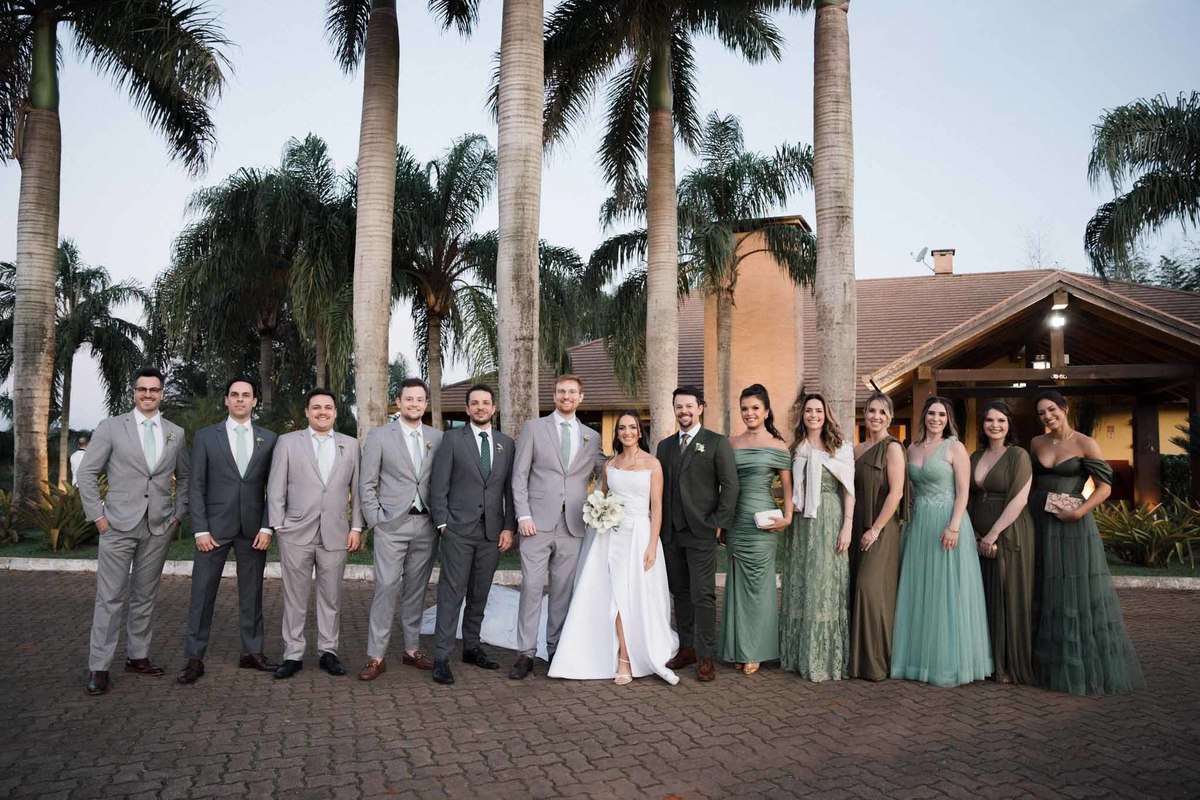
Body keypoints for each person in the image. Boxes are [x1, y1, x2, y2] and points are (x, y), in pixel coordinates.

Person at [77, 366, 190, 696]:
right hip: (116, 525)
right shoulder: (112, 427)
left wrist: (178, 515)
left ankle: (137, 656)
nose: (148, 395)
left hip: (158, 526)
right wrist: (98, 518)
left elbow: (184, 477)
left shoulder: (176, 432)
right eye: (142, 389)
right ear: (134, 393)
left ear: (161, 394)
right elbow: (87, 473)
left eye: (154, 390)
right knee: (109, 597)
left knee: (145, 595)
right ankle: (99, 666)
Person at [549, 411, 679, 685]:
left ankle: (627, 656)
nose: (627, 432)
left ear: (639, 432)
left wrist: (652, 545)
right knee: (613, 594)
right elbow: (601, 496)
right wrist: (597, 512)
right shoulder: (610, 465)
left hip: (639, 535)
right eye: (622, 428)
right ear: (617, 433)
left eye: (632, 427)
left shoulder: (652, 464)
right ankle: (617, 655)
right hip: (609, 536)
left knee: (632, 595)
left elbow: (657, 508)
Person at [1029, 390, 1144, 695]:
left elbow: (1105, 487)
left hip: (1072, 523)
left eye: (1051, 409)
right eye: (1041, 412)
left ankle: (1076, 663)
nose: (1047, 416)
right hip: (1038, 520)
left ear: (1065, 408)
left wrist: (1078, 512)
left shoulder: (1085, 443)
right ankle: (1042, 662)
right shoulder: (1036, 443)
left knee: (1071, 586)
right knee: (1043, 582)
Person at [178, 377, 278, 685]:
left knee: (252, 595)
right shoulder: (207, 437)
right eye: (234, 394)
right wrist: (200, 530)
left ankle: (252, 651)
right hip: (213, 531)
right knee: (202, 594)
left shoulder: (269, 439)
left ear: (254, 401)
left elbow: (274, 488)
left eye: (246, 395)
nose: (240, 399)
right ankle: (194, 658)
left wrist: (267, 526)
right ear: (226, 400)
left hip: (253, 530)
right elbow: (196, 485)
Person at [891, 396, 992, 687]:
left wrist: (954, 526)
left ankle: (948, 663)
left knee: (945, 591)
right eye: (932, 414)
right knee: (920, 589)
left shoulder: (954, 447)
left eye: (942, 415)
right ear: (923, 416)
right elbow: (908, 489)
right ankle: (916, 659)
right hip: (919, 524)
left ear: (948, 420)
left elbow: (963, 492)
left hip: (947, 522)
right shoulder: (911, 448)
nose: (936, 419)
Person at [509, 375, 602, 680]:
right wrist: (523, 516)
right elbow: (519, 475)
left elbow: (606, 470)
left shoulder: (591, 437)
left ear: (581, 397)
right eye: (562, 391)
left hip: (573, 524)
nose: (566, 396)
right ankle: (525, 653)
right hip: (535, 523)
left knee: (563, 591)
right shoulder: (534, 428)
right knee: (532, 588)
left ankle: (556, 649)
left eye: (572, 392)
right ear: (554, 395)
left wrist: (637, 464)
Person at [267, 388, 363, 679]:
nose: (323, 412)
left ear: (335, 412)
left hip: (336, 532)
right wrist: (278, 525)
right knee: (294, 597)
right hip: (295, 532)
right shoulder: (288, 442)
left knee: (331, 597)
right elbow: (275, 486)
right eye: (317, 407)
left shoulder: (351, 445)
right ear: (307, 412)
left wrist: (356, 527)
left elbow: (358, 490)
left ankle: (328, 652)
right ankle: (293, 654)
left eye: (328, 407)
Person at [428, 384, 516, 686]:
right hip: (458, 530)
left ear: (494, 408)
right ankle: (441, 657)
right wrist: (443, 523)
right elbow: (438, 485)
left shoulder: (506, 444)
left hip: (492, 532)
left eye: (486, 402)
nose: (481, 407)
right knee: (451, 593)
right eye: (475, 403)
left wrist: (509, 526)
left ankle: (471, 647)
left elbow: (509, 490)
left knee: (480, 593)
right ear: (467, 409)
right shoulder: (452, 439)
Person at [357, 378, 444, 681]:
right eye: (409, 399)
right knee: (386, 587)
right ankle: (376, 656)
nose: (414, 404)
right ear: (399, 402)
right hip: (391, 524)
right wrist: (376, 520)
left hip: (426, 524)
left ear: (426, 403)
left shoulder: (438, 437)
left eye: (419, 399)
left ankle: (411, 649)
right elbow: (367, 484)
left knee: (417, 589)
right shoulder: (380, 436)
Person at [657, 386, 739, 682]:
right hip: (670, 533)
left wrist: (719, 522)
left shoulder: (716, 443)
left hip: (701, 530)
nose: (684, 411)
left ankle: (705, 656)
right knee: (679, 592)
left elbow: (730, 485)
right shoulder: (665, 446)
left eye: (689, 406)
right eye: (679, 406)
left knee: (702, 594)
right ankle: (687, 648)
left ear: (700, 408)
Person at [719, 385, 793, 675]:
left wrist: (788, 517)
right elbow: (723, 485)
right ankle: (739, 647)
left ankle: (756, 650)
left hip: (763, 521)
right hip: (737, 520)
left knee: (759, 586)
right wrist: (721, 522)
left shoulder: (778, 445)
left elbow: (787, 487)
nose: (749, 413)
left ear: (766, 411)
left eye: (755, 408)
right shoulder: (730, 444)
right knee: (737, 585)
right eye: (745, 408)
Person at [782, 392, 854, 682]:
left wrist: (847, 526)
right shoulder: (796, 449)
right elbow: (789, 488)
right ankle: (799, 655)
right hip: (802, 523)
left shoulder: (841, 448)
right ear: (802, 415)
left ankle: (826, 657)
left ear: (826, 415)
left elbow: (849, 491)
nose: (813, 415)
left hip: (830, 518)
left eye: (818, 411)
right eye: (809, 410)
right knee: (804, 579)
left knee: (826, 581)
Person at [968, 400, 1036, 685]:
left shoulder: (1018, 455)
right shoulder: (975, 455)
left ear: (1009, 425)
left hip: (1009, 531)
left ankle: (1008, 664)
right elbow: (968, 495)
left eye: (1000, 420)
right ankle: (987, 661)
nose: (994, 425)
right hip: (977, 533)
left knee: (1007, 595)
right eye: (989, 420)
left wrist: (993, 534)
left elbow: (1020, 499)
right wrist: (973, 532)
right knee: (984, 596)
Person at [849, 391, 905, 681]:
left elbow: (896, 492)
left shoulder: (893, 448)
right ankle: (856, 662)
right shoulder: (856, 450)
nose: (876, 416)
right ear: (864, 414)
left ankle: (875, 661)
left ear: (890, 418)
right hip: (855, 525)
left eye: (882, 412)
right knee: (853, 587)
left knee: (869, 589)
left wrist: (875, 529)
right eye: (872, 410)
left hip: (881, 527)